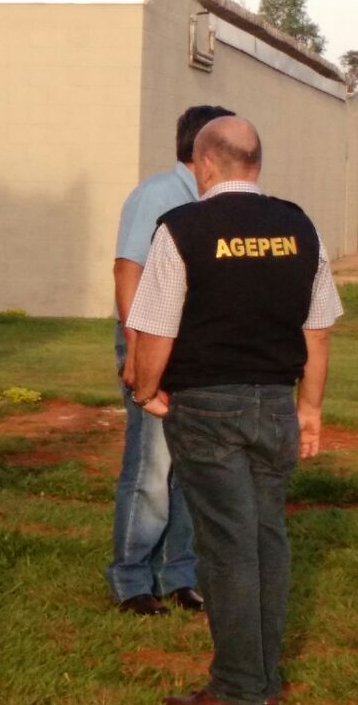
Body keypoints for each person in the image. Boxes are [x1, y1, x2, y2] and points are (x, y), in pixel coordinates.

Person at [128, 116, 342, 705]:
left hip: (206, 407)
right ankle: (263, 682)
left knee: (228, 547)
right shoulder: (298, 225)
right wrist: (310, 409)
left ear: (205, 165)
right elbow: (318, 330)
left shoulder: (182, 227)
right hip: (275, 404)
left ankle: (237, 688)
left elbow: (157, 330)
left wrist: (146, 391)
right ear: (256, 164)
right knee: (267, 539)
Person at [109, 105, 235, 615]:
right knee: (151, 467)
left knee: (187, 468)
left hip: (193, 350)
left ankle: (177, 574)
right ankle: (132, 579)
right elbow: (127, 270)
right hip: (152, 347)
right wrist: (137, 350)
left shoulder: (211, 201)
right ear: (206, 149)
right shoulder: (160, 194)